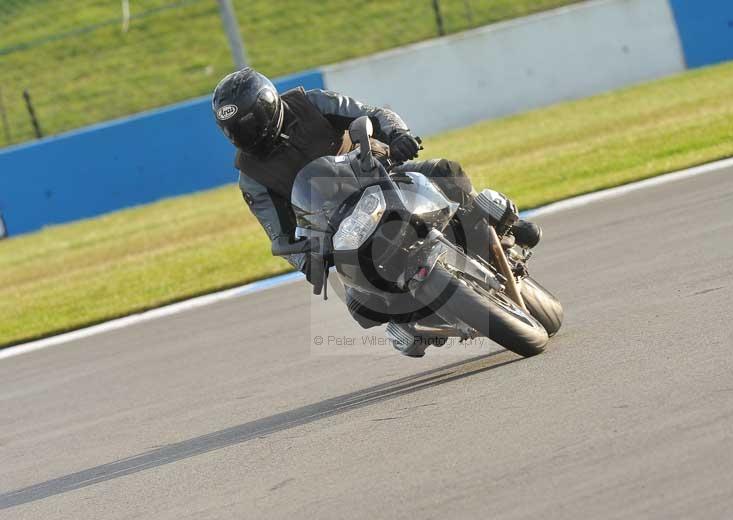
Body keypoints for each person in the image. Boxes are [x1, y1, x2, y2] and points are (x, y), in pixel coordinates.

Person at [212, 68, 541, 343]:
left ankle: (500, 226)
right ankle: (413, 323)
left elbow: (373, 114)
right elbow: (281, 236)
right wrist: (310, 260)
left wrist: (397, 134)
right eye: (234, 130)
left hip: (382, 176)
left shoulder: (309, 102)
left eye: (251, 123)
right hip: (340, 227)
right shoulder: (252, 177)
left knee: (445, 172)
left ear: (268, 106)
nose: (245, 134)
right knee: (359, 302)